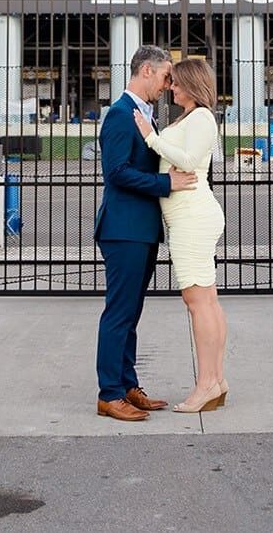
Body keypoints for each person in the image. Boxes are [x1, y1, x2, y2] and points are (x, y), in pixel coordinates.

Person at [94, 44, 197, 422]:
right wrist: (164, 182)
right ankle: (109, 393)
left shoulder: (144, 115)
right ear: (147, 71)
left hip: (140, 229)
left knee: (131, 312)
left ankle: (126, 384)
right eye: (166, 75)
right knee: (119, 312)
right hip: (124, 230)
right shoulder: (121, 115)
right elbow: (117, 172)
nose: (169, 83)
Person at [133, 56, 228, 414]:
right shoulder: (190, 118)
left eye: (175, 82)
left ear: (191, 84)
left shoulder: (202, 117)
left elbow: (187, 161)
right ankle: (216, 381)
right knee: (207, 300)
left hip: (192, 217)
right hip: (187, 216)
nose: (170, 87)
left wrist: (151, 138)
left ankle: (205, 385)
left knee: (197, 301)